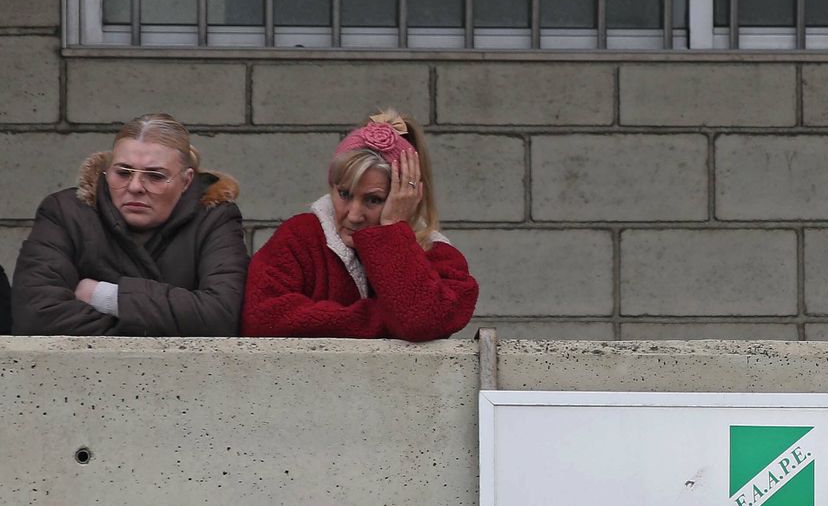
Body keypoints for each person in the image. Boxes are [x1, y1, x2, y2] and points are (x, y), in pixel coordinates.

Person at [242, 110, 478, 340]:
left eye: (373, 200)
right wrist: (385, 320)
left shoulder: (438, 255)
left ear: (407, 196)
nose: (354, 215)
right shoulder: (300, 237)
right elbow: (262, 318)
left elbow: (421, 322)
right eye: (344, 194)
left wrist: (392, 229)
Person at [10, 114, 247, 336]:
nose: (135, 186)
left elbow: (221, 317)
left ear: (186, 181)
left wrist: (104, 296)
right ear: (106, 171)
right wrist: (162, 330)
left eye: (155, 176)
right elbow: (35, 315)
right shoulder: (66, 212)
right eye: (123, 173)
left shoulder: (214, 219)